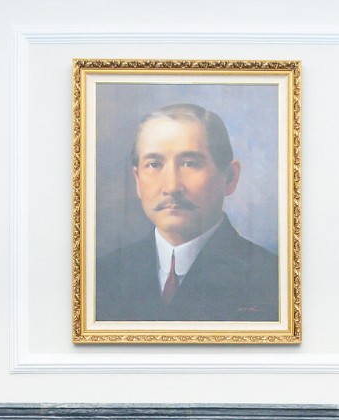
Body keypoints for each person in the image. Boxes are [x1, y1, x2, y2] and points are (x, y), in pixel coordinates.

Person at [95, 102, 279, 322]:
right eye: (154, 164)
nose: (172, 187)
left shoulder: (272, 278)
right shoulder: (101, 276)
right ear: (137, 180)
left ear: (230, 178)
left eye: (190, 163)